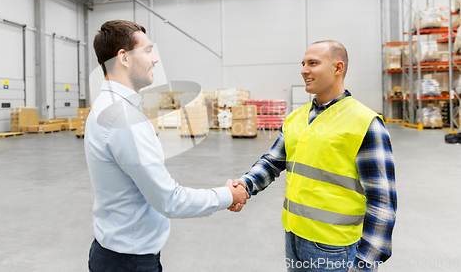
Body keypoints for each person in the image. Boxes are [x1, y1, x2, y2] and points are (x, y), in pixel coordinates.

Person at [85, 20, 248, 272]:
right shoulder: (123, 119)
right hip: (129, 262)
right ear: (124, 58)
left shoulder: (107, 106)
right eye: (148, 50)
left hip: (115, 253)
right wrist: (229, 196)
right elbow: (169, 200)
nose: (155, 60)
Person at [230, 40, 397, 272]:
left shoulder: (364, 122)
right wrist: (244, 186)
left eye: (313, 63)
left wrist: (366, 263)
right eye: (303, 64)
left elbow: (382, 201)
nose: (303, 70)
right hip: (294, 237)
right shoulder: (295, 118)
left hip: (335, 248)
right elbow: (272, 162)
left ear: (338, 68)